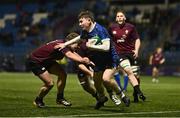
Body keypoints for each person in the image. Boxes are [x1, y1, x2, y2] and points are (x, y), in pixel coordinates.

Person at [56, 10, 130, 109]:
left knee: (106, 79)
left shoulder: (100, 30)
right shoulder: (86, 31)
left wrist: (92, 46)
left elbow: (107, 47)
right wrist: (65, 44)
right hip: (99, 60)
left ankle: (122, 96)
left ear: (89, 20)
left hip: (110, 59)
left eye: (81, 21)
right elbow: (79, 37)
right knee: (97, 82)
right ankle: (102, 98)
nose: (80, 24)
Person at [26, 32, 93, 108]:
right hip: (36, 61)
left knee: (63, 74)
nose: (78, 47)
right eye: (78, 44)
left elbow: (73, 53)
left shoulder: (64, 44)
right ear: (71, 41)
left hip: (47, 61)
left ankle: (60, 98)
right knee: (50, 83)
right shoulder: (62, 45)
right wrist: (83, 61)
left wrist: (86, 61)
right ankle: (38, 100)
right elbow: (69, 55)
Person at [108, 10, 146, 103]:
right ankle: (140, 92)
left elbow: (137, 39)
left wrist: (136, 50)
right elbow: (108, 41)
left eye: (121, 16)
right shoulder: (112, 28)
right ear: (116, 18)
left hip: (131, 53)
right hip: (120, 54)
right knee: (128, 70)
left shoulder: (131, 27)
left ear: (124, 18)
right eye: (118, 16)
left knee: (136, 76)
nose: (119, 17)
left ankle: (135, 93)